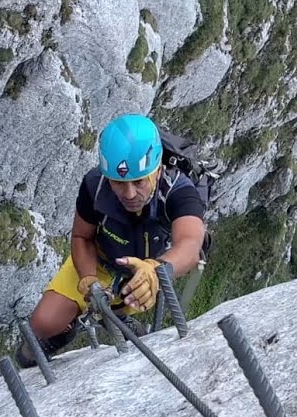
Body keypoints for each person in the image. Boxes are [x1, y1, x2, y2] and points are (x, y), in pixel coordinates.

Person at [16, 113, 208, 367]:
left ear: (157, 169)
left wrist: (154, 270)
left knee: (122, 305)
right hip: (99, 260)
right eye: (118, 183)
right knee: (42, 323)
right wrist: (88, 279)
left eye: (138, 181)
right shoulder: (94, 185)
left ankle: (117, 317)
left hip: (143, 272)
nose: (129, 194)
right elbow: (81, 236)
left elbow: (190, 244)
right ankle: (70, 328)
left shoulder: (179, 193)